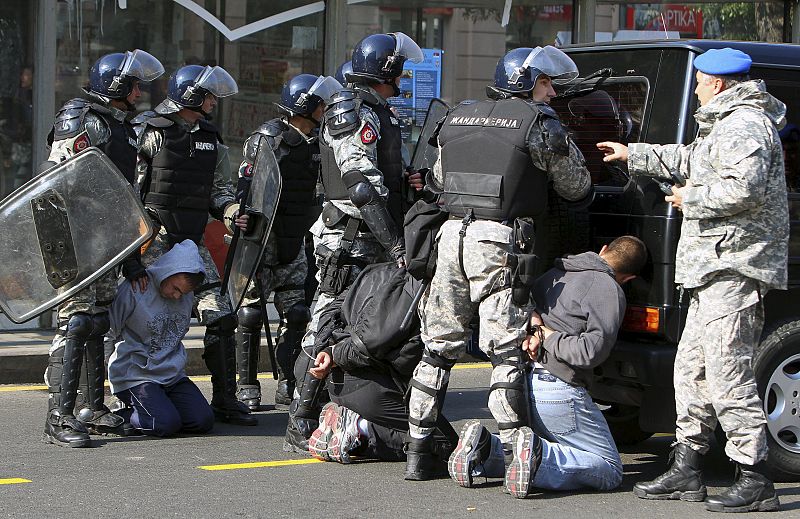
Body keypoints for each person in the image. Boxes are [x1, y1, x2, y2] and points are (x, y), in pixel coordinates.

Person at [597, 47, 788, 513]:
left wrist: (690, 198)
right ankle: (687, 467)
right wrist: (633, 153)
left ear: (719, 84)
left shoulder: (746, 126)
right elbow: (690, 159)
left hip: (734, 268)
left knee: (728, 375)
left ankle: (755, 476)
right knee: (692, 372)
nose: (698, 88)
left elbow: (743, 188)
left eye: (700, 81)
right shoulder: (724, 124)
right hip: (709, 268)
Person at [404, 46, 593, 480]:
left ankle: (417, 453)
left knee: (437, 348)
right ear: (526, 83)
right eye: (546, 83)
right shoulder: (538, 123)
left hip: (450, 236)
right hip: (499, 241)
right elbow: (576, 186)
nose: (551, 92)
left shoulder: (458, 115)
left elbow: (436, 180)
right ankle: (514, 455)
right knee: (505, 351)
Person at [284, 32, 425, 452]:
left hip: (373, 238)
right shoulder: (353, 110)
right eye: (399, 67)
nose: (403, 75)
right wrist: (399, 247)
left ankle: (353, 409)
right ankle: (299, 421)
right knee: (327, 323)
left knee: (366, 326)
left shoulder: (378, 111)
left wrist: (408, 182)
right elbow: (360, 186)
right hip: (350, 238)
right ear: (386, 69)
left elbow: (381, 177)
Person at [448, 236, 647, 498]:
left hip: (519, 382)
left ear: (604, 249)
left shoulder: (557, 272)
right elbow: (588, 352)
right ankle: (538, 458)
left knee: (553, 448)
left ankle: (485, 449)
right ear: (628, 278)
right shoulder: (609, 289)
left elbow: (523, 310)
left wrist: (535, 329)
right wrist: (548, 336)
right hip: (558, 390)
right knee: (609, 469)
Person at [43, 50, 164, 448]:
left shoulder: (123, 127)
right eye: (133, 84)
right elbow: (59, 183)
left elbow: (124, 196)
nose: (139, 90)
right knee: (75, 322)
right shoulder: (81, 119)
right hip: (77, 239)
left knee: (97, 322)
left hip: (108, 242)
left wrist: (130, 258)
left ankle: (93, 408)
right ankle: (57, 416)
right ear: (116, 85)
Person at [135, 64, 256, 426]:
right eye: (208, 95)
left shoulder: (209, 135)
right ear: (191, 96)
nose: (214, 101)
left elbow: (217, 186)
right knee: (135, 318)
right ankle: (124, 396)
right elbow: (129, 190)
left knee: (221, 315)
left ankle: (225, 399)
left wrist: (231, 209)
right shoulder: (149, 131)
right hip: (151, 241)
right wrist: (133, 251)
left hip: (190, 240)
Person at [302, 262, 457, 463]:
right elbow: (372, 341)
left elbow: (330, 313)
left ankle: (352, 430)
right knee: (443, 444)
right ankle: (360, 429)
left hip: (340, 384)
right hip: (371, 389)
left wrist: (329, 349)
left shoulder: (375, 270)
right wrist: (335, 352)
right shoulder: (414, 289)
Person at [235, 74, 324, 410]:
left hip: (295, 238)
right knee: (251, 313)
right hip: (262, 240)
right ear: (307, 106)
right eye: (320, 103)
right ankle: (246, 385)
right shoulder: (268, 139)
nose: (326, 108)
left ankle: (289, 381)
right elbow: (247, 185)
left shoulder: (318, 140)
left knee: (297, 312)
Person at [108, 239, 214, 437]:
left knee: (203, 421)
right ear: (167, 271)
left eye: (183, 293)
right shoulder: (135, 289)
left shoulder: (185, 296)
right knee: (163, 424)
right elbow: (107, 331)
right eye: (175, 288)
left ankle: (160, 407)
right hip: (136, 375)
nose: (177, 296)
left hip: (171, 375)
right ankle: (122, 413)